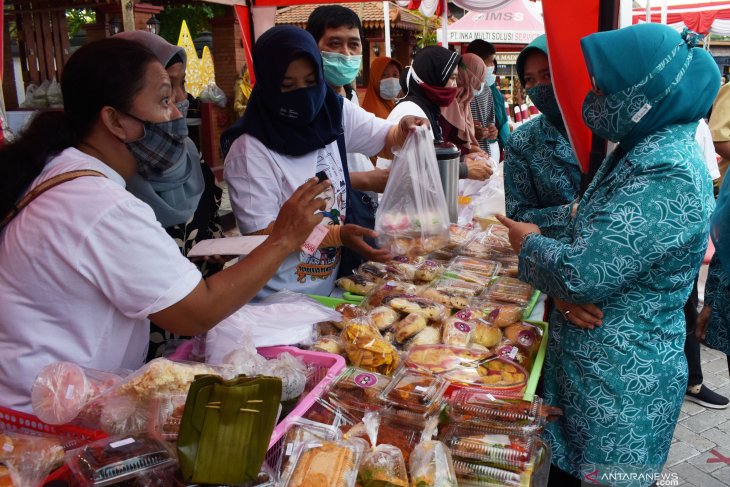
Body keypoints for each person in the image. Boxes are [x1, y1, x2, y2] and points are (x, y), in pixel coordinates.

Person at [0, 38, 330, 410]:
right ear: (113, 120)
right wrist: (283, 239)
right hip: (47, 417)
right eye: (163, 100)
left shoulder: (65, 172)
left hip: (59, 398)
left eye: (177, 95)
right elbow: (195, 311)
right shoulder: (99, 203)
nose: (176, 113)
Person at [498, 24, 719, 486]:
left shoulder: (667, 167)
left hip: (622, 384)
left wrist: (528, 242)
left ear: (645, 88)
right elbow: (591, 227)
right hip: (597, 372)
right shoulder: (644, 145)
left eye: (604, 86)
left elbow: (582, 273)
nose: (593, 95)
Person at [221, 26, 426, 299]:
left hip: (328, 292)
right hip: (274, 300)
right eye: (288, 86)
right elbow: (262, 237)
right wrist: (334, 236)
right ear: (268, 85)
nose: (304, 95)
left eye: (310, 81)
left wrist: (404, 130)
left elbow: (386, 140)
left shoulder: (331, 111)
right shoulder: (249, 150)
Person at [115, 30, 226, 360]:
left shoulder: (191, 155)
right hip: (138, 340)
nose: (181, 101)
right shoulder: (111, 179)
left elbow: (209, 221)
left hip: (201, 323)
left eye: (181, 84)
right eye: (166, 92)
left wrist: (214, 249)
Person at [503, 35, 581, 239]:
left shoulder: (606, 130)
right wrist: (568, 214)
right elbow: (517, 215)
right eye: (529, 79)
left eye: (547, 75)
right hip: (552, 255)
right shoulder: (522, 141)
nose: (539, 86)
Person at [306, 5, 389, 194]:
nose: (346, 53)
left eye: (353, 44)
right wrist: (364, 179)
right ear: (312, 46)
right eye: (335, 43)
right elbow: (304, 174)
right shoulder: (308, 105)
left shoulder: (351, 96)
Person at [377, 45, 492, 182]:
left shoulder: (429, 110)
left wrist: (461, 159)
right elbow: (412, 170)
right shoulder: (410, 111)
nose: (455, 86)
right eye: (452, 78)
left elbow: (429, 158)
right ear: (434, 77)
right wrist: (463, 169)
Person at [440, 53, 487, 156]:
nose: (481, 83)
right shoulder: (448, 101)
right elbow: (440, 146)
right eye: (480, 77)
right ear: (471, 76)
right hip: (449, 167)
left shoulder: (464, 101)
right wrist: (468, 150)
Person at [466, 39, 501, 158]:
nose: (492, 67)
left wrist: (493, 131)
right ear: (477, 62)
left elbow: (490, 121)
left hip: (484, 154)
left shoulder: (487, 90)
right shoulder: (460, 91)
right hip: (465, 158)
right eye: (490, 63)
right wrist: (471, 133)